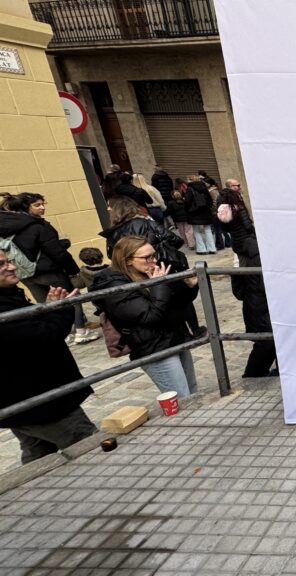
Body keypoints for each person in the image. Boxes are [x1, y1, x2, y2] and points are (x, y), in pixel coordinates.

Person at [0, 248, 98, 464]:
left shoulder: (9, 295)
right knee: (90, 447)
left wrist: (47, 309)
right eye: (1, 265)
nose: (12, 267)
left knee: (39, 457)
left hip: (27, 403)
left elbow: (30, 332)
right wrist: (61, 309)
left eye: (8, 261)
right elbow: (43, 337)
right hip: (42, 402)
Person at [93, 236, 201, 398]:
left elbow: (176, 304)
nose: (154, 260)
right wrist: (159, 284)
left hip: (174, 338)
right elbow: (150, 315)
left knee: (192, 392)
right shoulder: (114, 285)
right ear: (128, 260)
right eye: (147, 257)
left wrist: (189, 286)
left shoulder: (149, 272)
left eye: (154, 255)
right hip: (152, 347)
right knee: (181, 397)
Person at [0, 193, 97, 344]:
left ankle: (63, 334)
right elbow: (56, 252)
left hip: (23, 272)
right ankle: (81, 331)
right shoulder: (37, 225)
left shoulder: (4, 228)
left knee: (45, 304)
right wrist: (73, 270)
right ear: (26, 208)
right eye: (37, 205)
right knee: (71, 298)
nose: (42, 208)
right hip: (49, 271)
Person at [101, 196, 204, 338]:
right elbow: (175, 239)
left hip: (136, 274)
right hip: (161, 267)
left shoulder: (113, 232)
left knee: (162, 298)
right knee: (172, 298)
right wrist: (158, 249)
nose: (107, 209)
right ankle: (191, 331)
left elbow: (111, 255)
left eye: (110, 206)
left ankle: (181, 334)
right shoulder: (145, 223)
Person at [218, 179, 277, 376]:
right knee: (267, 342)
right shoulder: (257, 251)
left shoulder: (244, 250)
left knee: (273, 340)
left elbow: (239, 289)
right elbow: (242, 290)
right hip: (261, 306)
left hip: (260, 304)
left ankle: (273, 371)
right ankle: (253, 376)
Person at [183, 175, 217, 255]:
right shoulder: (204, 187)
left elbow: (187, 201)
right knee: (208, 230)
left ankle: (201, 249)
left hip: (194, 212)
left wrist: (187, 209)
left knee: (196, 231)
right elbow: (210, 200)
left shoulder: (189, 188)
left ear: (190, 180)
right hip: (205, 211)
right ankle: (212, 248)